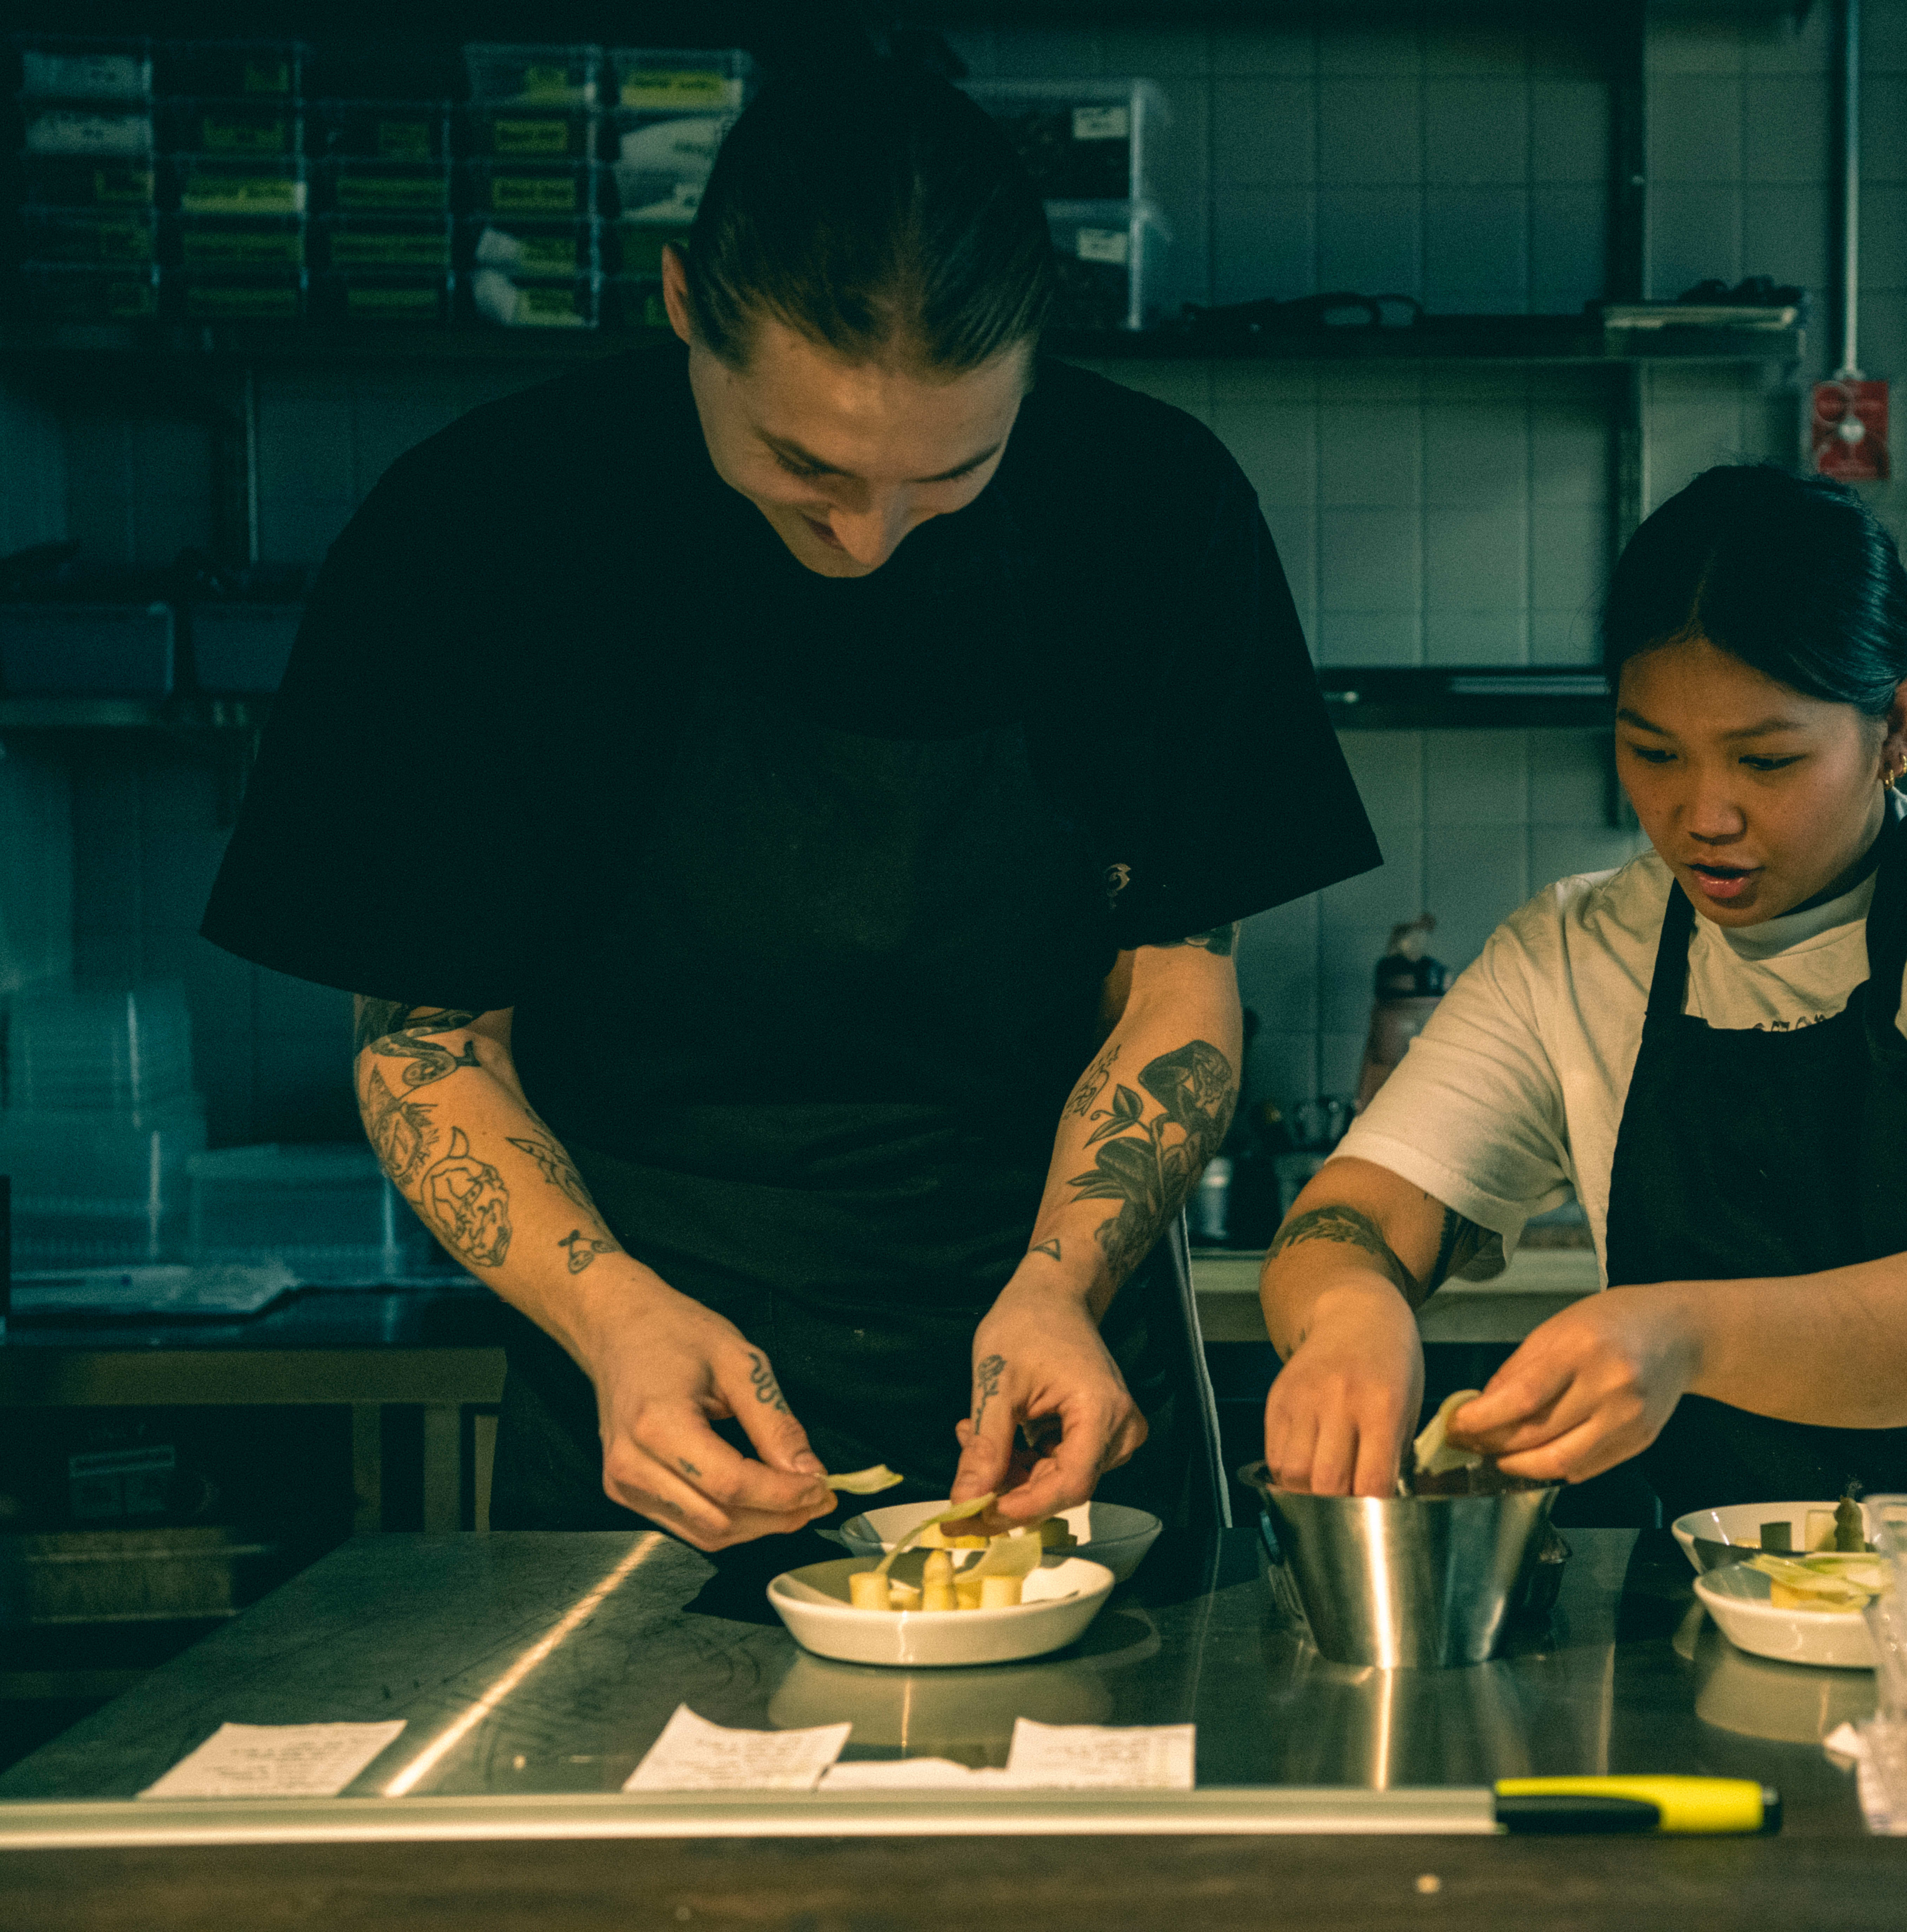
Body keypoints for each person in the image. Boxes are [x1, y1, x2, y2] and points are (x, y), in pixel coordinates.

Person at [202, 64, 1379, 1550]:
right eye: (803, 466)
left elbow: (1177, 991)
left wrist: (1060, 1282)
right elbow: (426, 1042)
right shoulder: (479, 537)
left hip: (1058, 1419)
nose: (868, 538)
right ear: (687, 301)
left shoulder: (1152, 515)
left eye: (952, 472)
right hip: (641, 1415)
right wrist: (614, 1315)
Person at [1258, 465, 1907, 1531]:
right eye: (1653, 753)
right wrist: (1351, 1312)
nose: (1704, 814)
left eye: (1767, 760)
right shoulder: (1574, 954)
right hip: (1757, 1585)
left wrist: (1681, 1334)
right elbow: (1351, 1218)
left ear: (1898, 728)